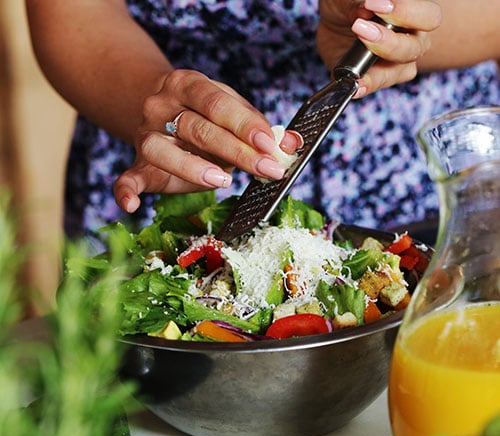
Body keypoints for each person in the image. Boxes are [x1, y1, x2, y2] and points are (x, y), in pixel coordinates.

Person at [26, 0, 499, 252]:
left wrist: (385, 24)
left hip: (427, 183)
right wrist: (153, 99)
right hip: (169, 158)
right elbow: (75, 11)